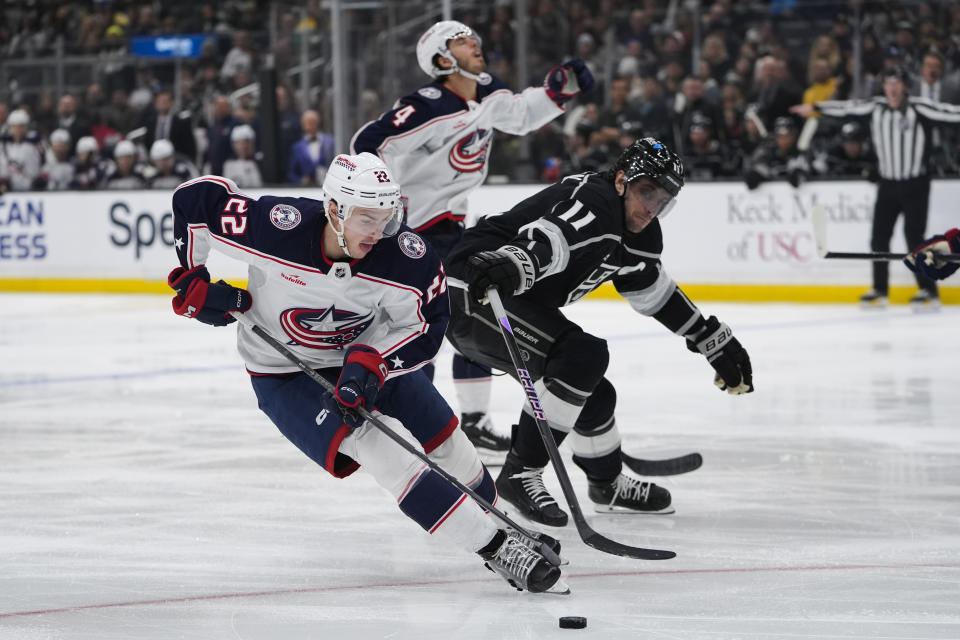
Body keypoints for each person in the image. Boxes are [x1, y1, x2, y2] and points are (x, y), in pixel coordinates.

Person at [166, 152, 564, 593]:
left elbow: (428, 325)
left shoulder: (406, 258)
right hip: (285, 373)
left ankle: (500, 525)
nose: (379, 233)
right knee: (378, 446)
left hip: (369, 357)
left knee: (448, 441)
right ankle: (495, 549)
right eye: (367, 219)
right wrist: (191, 276)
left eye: (387, 218)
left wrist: (377, 361)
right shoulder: (273, 228)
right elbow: (195, 199)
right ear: (334, 210)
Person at [444, 138, 754, 527]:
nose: (651, 208)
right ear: (622, 179)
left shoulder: (639, 233)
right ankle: (520, 474)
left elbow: (654, 293)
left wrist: (712, 340)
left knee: (593, 392)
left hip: (509, 297)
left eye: (662, 200)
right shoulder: (595, 200)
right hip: (474, 290)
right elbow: (553, 237)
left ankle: (606, 485)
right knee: (581, 356)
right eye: (646, 192)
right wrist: (519, 260)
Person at [351, 19, 594, 455]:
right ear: (443, 60)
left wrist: (558, 91)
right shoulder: (426, 104)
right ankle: (409, 416)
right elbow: (369, 142)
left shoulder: (486, 92)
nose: (475, 44)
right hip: (412, 233)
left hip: (449, 227)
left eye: (474, 38)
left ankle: (472, 420)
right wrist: (378, 202)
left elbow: (519, 114)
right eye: (463, 41)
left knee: (475, 307)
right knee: (425, 322)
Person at [791, 65, 960, 309]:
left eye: (896, 83)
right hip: (888, 183)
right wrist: (817, 108)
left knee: (914, 238)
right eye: (888, 84)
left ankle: (928, 291)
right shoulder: (876, 107)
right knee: (879, 238)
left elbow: (949, 114)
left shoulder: (919, 108)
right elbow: (847, 109)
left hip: (915, 184)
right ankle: (880, 289)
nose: (892, 88)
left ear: (904, 86)